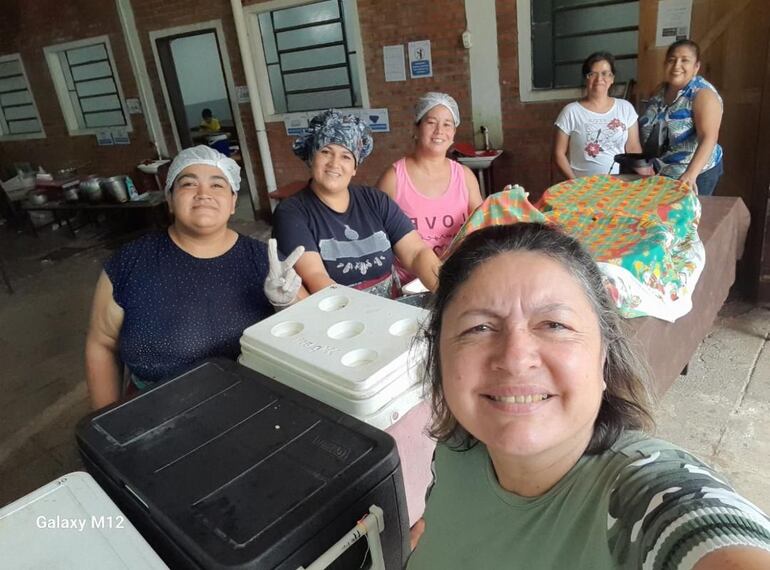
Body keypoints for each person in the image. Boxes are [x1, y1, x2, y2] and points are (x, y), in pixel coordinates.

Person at [407, 223, 770, 568]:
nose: (516, 358)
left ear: (603, 356)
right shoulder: (458, 444)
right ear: (439, 354)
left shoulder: (643, 500)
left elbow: (707, 532)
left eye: (554, 325)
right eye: (479, 327)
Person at [85, 146, 304, 409]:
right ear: (170, 199)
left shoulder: (264, 259)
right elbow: (103, 343)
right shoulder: (130, 262)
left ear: (233, 201)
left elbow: (308, 334)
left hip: (252, 406)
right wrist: (106, 421)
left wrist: (286, 307)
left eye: (217, 185)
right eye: (188, 184)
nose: (203, 194)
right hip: (155, 412)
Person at [272, 110, 441, 297]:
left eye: (346, 156)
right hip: (339, 317)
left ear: (355, 167)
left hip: (392, 311)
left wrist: (447, 292)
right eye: (326, 152)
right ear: (311, 158)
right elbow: (316, 277)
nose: (334, 163)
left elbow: (416, 253)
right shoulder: (292, 213)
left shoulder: (375, 201)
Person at [376, 92, 482, 286]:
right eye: (431, 122)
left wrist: (504, 202)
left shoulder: (464, 176)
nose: (439, 130)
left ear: (453, 134)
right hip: (406, 285)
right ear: (416, 128)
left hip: (457, 280)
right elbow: (375, 236)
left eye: (447, 124)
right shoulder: (394, 178)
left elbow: (482, 224)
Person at [639, 39, 724, 195]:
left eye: (685, 60)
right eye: (672, 60)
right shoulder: (660, 91)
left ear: (696, 67)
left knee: (688, 217)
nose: (677, 65)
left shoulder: (702, 95)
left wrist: (691, 175)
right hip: (662, 173)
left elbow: (709, 138)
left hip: (695, 174)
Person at [553, 52, 644, 178]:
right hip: (583, 186)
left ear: (612, 78)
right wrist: (575, 183)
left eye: (605, 73)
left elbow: (633, 148)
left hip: (619, 185)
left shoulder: (625, 108)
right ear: (586, 78)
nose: (599, 79)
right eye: (593, 74)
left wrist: (642, 176)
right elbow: (559, 154)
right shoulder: (571, 112)